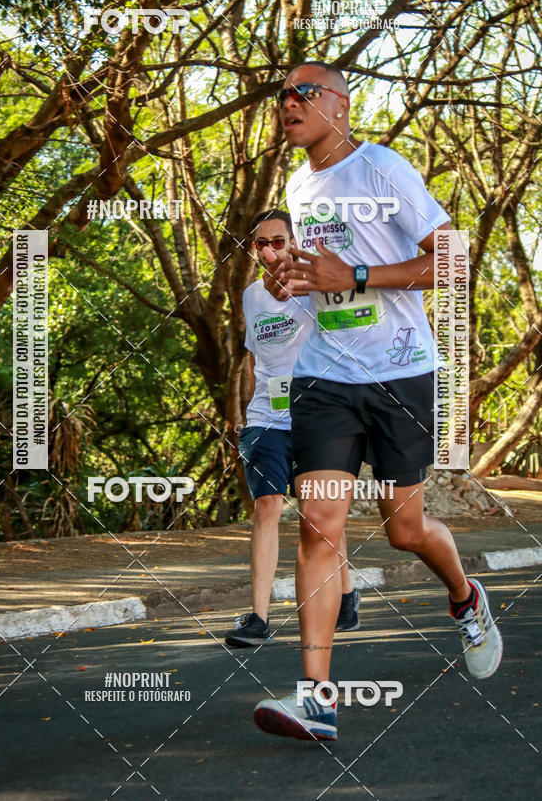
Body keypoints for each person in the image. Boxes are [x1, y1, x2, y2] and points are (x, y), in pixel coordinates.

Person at [253, 62, 502, 741]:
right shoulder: (299, 187)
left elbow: (453, 262)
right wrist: (295, 285)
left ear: (340, 102)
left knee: (404, 529)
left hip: (400, 375)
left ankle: (465, 595)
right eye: (281, 97)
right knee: (320, 526)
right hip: (325, 378)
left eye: (302, 92)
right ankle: (318, 698)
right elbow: (324, 281)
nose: (287, 104)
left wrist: (357, 274)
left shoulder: (382, 168)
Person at [225, 209, 360, 648]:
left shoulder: (317, 287)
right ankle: (258, 618)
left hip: (317, 417)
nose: (269, 250)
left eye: (278, 241)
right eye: (260, 243)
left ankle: (345, 593)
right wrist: (250, 409)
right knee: (267, 506)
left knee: (318, 519)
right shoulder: (249, 296)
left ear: (293, 242)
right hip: (267, 419)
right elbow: (253, 358)